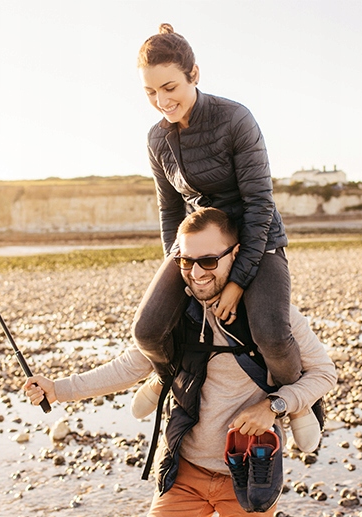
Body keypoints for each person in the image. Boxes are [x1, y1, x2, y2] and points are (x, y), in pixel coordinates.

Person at [23, 208, 337, 517]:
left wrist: (274, 406)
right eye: (187, 261)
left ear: (236, 254)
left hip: (250, 471)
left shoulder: (274, 315)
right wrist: (57, 389)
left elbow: (324, 373)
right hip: (184, 470)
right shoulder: (176, 314)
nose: (197, 272)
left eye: (209, 260)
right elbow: (132, 364)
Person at [131, 23, 303, 399]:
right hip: (196, 244)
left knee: (272, 336)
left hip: (257, 238)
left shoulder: (235, 119)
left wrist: (238, 281)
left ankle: (298, 400)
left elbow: (260, 203)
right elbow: (170, 211)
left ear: (194, 75)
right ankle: (165, 377)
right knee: (146, 330)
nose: (162, 101)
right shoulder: (156, 139)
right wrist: (182, 269)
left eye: (170, 87)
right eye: (150, 92)